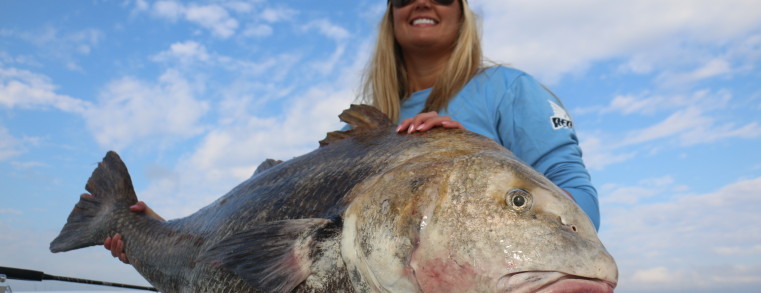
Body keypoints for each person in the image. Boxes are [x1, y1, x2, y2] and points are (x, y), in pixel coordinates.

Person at [105, 0, 600, 264]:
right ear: (390, 14)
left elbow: (576, 204)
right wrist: (154, 232)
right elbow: (268, 234)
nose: (422, 1)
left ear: (464, 9)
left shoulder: (512, 90)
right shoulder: (370, 123)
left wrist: (468, 147)